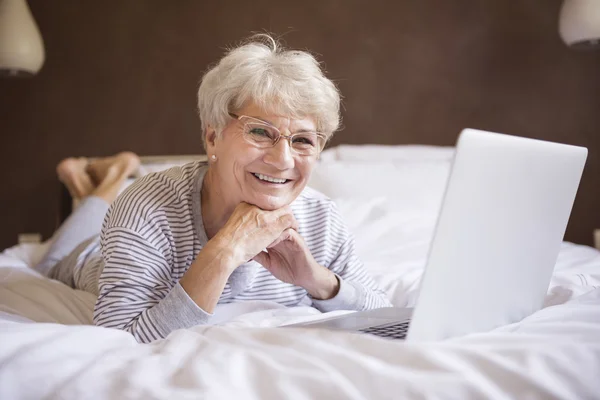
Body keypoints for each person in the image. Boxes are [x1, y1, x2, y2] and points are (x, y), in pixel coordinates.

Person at [36, 34, 391, 344]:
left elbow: (387, 316)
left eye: (302, 140)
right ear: (212, 137)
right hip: (91, 258)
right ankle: (108, 181)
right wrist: (224, 252)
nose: (283, 160)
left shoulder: (320, 217)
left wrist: (316, 280)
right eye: (260, 131)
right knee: (50, 260)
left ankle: (98, 178)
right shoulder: (146, 205)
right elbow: (122, 337)